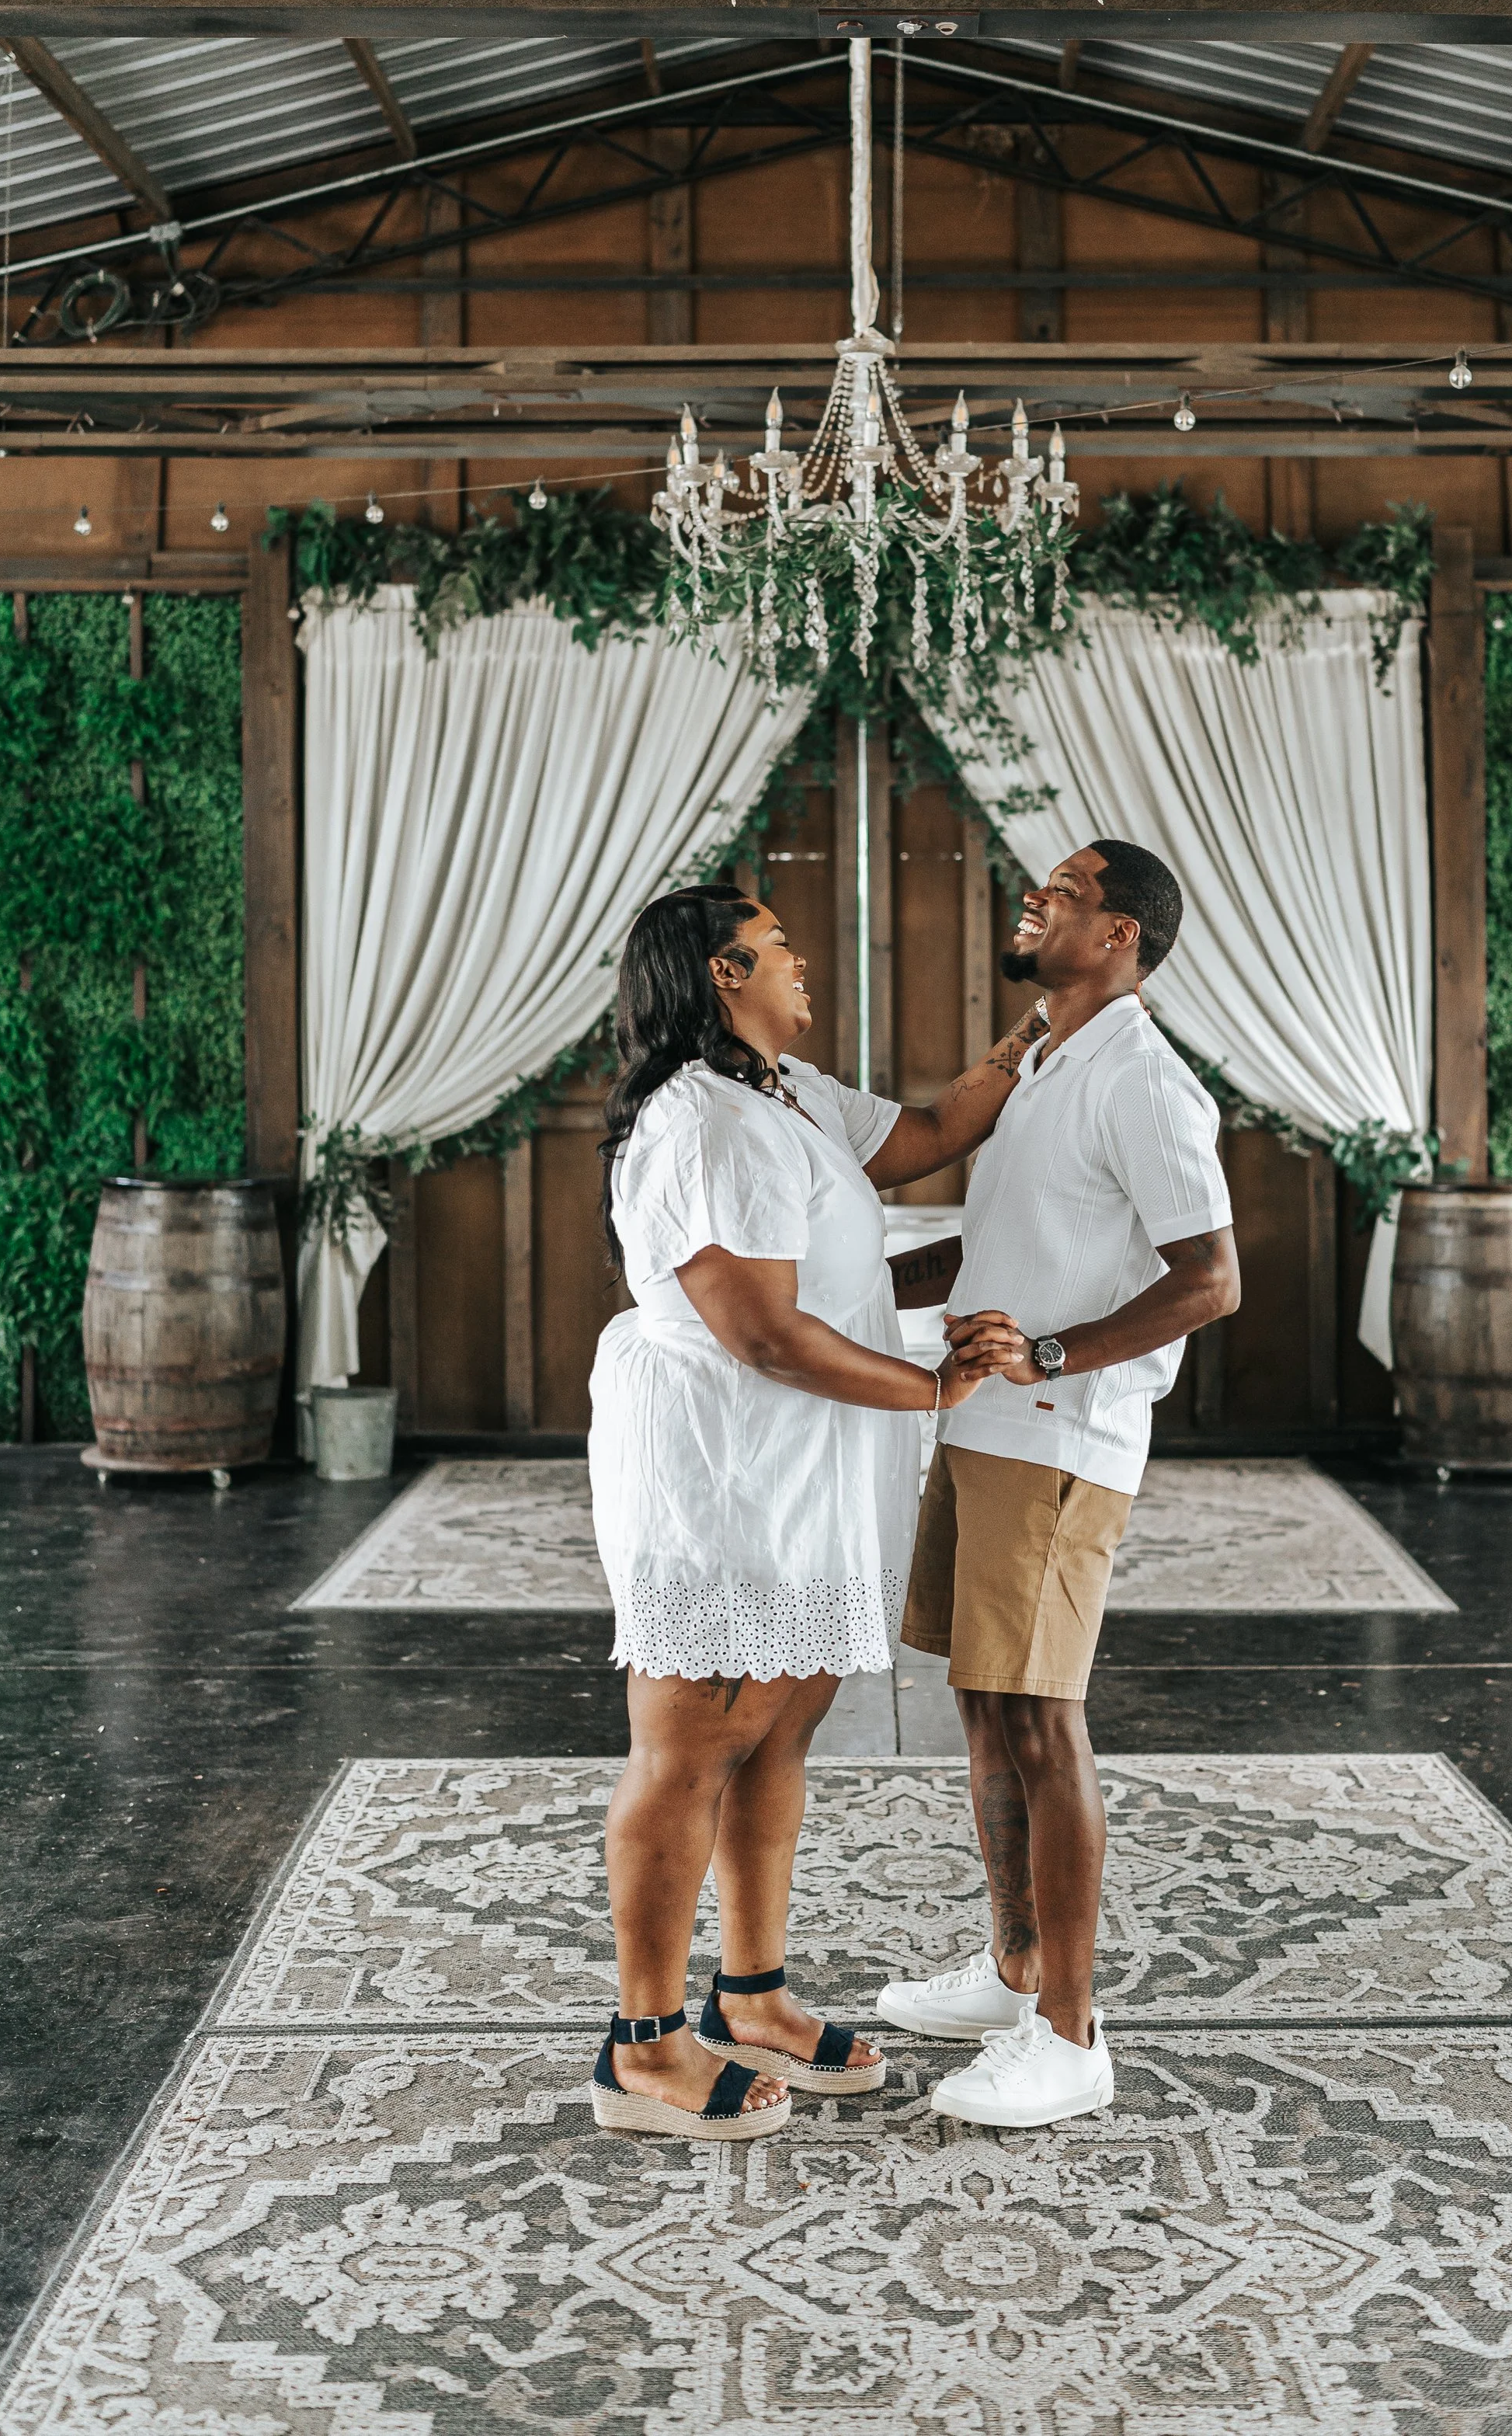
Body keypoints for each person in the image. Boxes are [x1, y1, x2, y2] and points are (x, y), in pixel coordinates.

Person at [586, 880, 1038, 2140]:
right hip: (722, 1455)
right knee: (693, 1738)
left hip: (802, 1456)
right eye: (778, 946)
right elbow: (765, 1331)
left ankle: (751, 1994)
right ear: (723, 975)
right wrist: (926, 1380)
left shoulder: (788, 1094)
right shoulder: (700, 1122)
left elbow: (939, 1127)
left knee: (782, 1722)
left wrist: (1039, 1034)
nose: (803, 962)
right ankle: (644, 2042)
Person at [879, 840, 1241, 2128]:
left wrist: (1050, 1350)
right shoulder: (1043, 1060)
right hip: (988, 1426)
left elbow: (1211, 1276)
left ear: (1124, 936)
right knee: (985, 1705)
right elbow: (1003, 1241)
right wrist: (864, 1289)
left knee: (1042, 1717)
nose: (1038, 896)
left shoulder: (1146, 1081)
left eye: (1071, 893)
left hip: (1062, 1432)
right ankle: (1014, 1967)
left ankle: (1072, 2031)